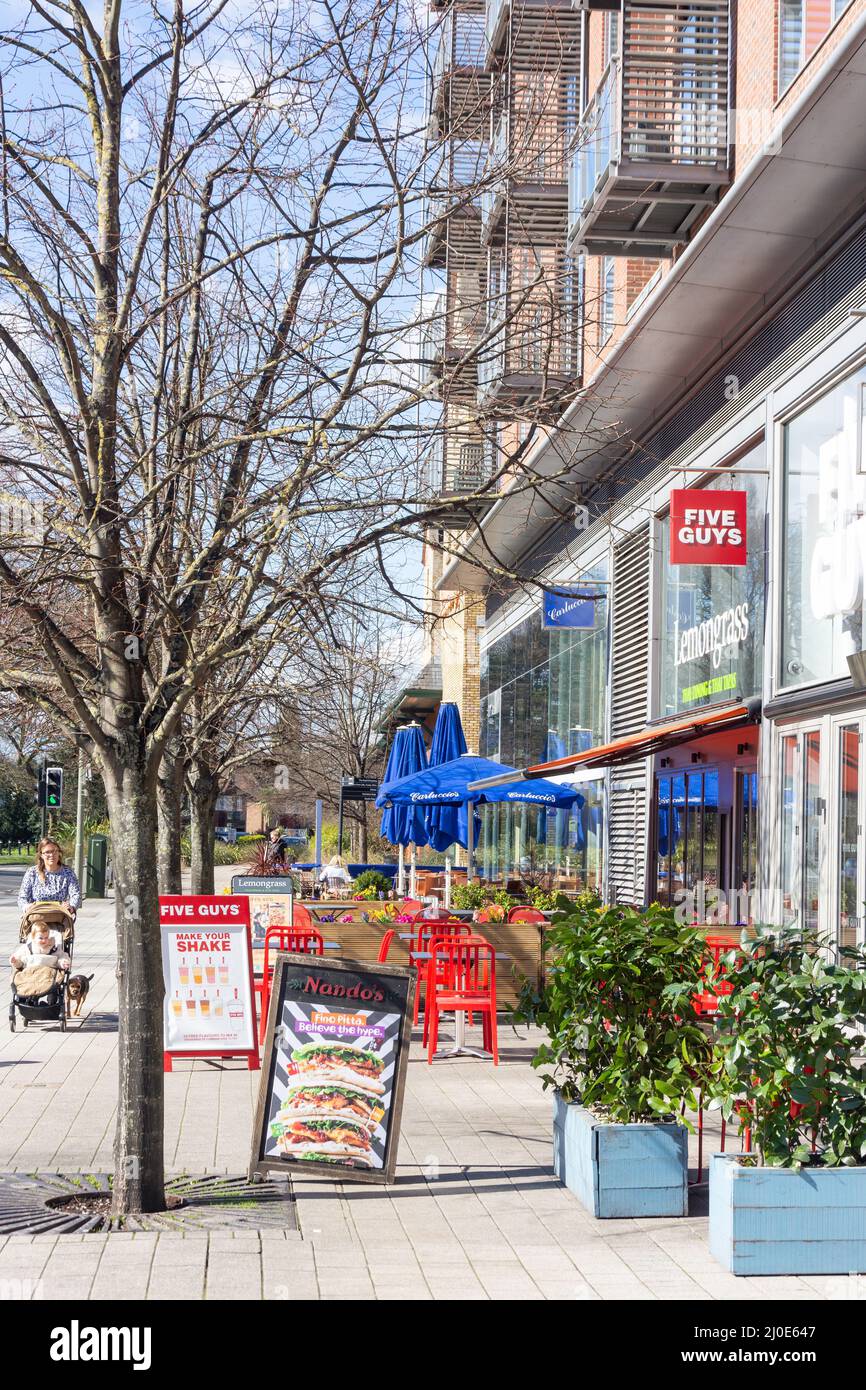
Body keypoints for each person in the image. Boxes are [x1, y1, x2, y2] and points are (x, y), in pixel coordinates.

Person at [17, 838, 82, 919]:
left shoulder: (68, 872)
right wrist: (27, 906)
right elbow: (22, 897)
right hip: (37, 919)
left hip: (60, 918)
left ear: (59, 853)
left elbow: (76, 895)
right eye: (47, 852)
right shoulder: (32, 872)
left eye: (55, 851)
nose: (52, 855)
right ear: (41, 855)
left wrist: (71, 907)